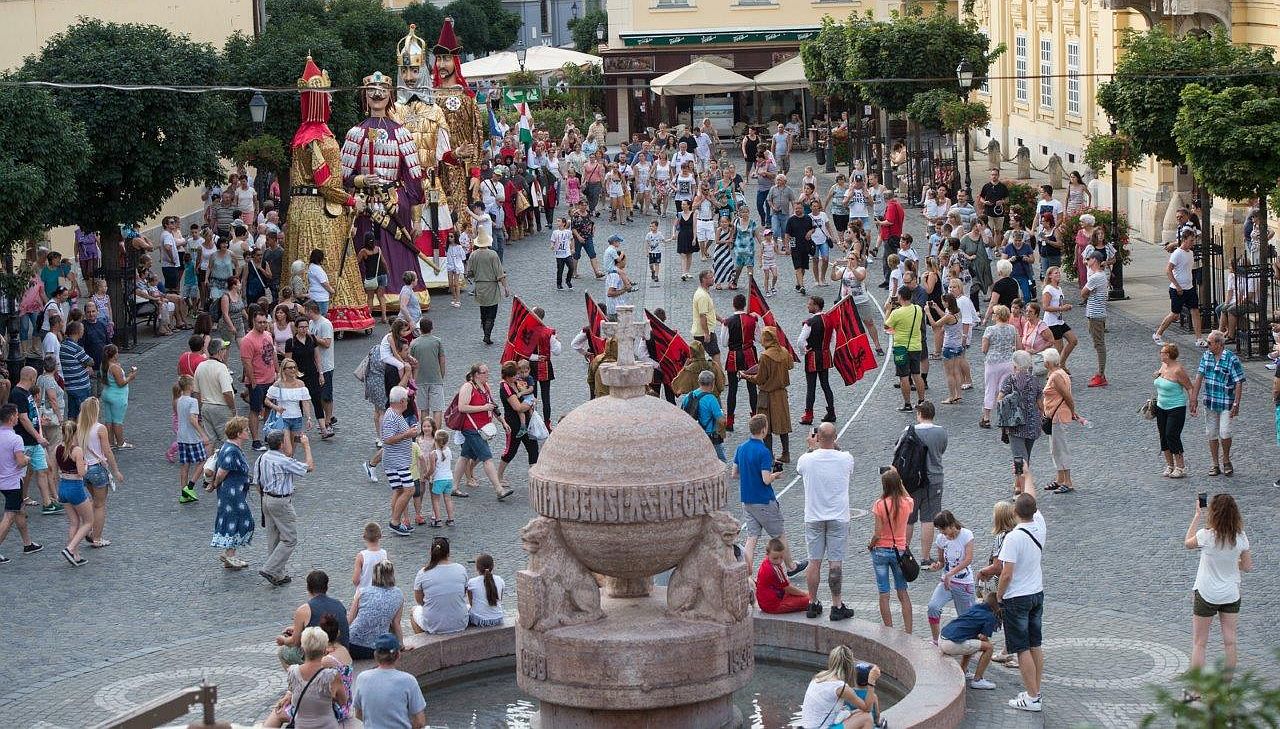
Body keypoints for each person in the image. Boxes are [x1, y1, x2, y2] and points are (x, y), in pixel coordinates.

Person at [1185, 493, 1252, 692]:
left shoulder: (1207, 535)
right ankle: (1227, 692)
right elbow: (1247, 566)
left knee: (1200, 644)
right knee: (1230, 643)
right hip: (1230, 594)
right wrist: (1231, 562)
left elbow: (1187, 542)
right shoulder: (1240, 537)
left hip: (1206, 594)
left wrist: (1197, 515)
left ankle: (1196, 693)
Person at [797, 423, 856, 622]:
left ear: (817, 437)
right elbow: (843, 460)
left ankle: (812, 602)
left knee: (814, 561)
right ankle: (837, 604)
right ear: (836, 437)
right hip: (838, 517)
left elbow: (801, 470)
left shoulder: (806, 459)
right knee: (835, 564)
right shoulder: (846, 458)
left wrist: (813, 448)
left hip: (813, 516)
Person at [733, 413, 802, 578]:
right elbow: (765, 479)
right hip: (763, 500)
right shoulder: (763, 452)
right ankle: (791, 566)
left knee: (752, 537)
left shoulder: (741, 448)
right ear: (764, 430)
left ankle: (747, 569)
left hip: (747, 500)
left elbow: (735, 473)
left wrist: (749, 474)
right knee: (779, 534)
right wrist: (775, 475)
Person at [997, 491, 1047, 713]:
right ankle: (1035, 690)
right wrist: (1025, 473)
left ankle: (1032, 697)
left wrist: (999, 595)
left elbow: (1006, 574)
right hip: (1037, 592)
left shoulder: (1013, 537)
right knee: (1036, 644)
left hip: (1017, 597)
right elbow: (1031, 492)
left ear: (1015, 512)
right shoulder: (1040, 524)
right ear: (1034, 511)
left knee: (1021, 649)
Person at [255, 429, 314, 586]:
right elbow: (309, 467)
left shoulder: (262, 458)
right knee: (289, 539)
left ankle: (278, 574)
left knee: (273, 538)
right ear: (281, 444)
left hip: (266, 499)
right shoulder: (283, 461)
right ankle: (270, 569)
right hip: (281, 501)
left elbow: (257, 482)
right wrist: (306, 446)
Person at [1189, 330, 1245, 477]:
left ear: (1219, 344)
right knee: (1211, 433)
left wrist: (1236, 404)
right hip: (1210, 400)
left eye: (1209, 342)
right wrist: (1193, 399)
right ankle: (1215, 463)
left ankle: (1226, 459)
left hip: (1226, 401)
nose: (1207, 345)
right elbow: (1199, 377)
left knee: (1225, 432)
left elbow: (1239, 382)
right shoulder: (1206, 356)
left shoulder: (1231, 359)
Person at [453, 363, 512, 500]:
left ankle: (454, 487)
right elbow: (462, 407)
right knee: (487, 458)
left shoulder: (486, 387)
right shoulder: (468, 387)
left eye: (487, 372)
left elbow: (492, 406)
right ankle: (499, 489)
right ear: (476, 375)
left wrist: (502, 421)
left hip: (481, 427)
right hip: (471, 428)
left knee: (464, 456)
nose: (487, 375)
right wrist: (483, 407)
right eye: (484, 372)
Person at [899, 401, 948, 558]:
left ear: (919, 414)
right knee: (928, 519)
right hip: (934, 478)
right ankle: (926, 557)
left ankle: (905, 555)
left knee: (909, 519)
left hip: (912, 480)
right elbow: (942, 450)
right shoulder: (941, 432)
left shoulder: (909, 430)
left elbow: (898, 450)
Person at [278, 626, 350, 729]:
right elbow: (343, 702)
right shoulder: (332, 675)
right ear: (325, 650)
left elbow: (293, 692)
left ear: (303, 649)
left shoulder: (292, 671)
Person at [869, 467, 914, 633]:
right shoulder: (906, 503)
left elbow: (878, 533)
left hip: (881, 551)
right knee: (902, 592)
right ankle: (908, 631)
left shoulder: (879, 505)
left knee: (884, 593)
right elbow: (909, 497)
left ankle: (889, 630)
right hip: (899, 552)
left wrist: (871, 544)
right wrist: (901, 482)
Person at [351, 633, 427, 728]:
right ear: (398, 655)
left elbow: (358, 714)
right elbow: (420, 722)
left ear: (375, 655)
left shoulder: (362, 678)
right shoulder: (408, 680)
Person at [275, 570, 350, 667]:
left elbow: (295, 642)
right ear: (326, 587)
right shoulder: (339, 604)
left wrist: (283, 640)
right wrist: (297, 628)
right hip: (342, 652)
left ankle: (299, 679)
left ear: (308, 588)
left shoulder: (303, 610)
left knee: (282, 652)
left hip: (321, 656)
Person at [208, 416, 254, 570]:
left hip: (234, 491)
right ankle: (230, 554)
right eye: (246, 430)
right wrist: (215, 484)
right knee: (239, 519)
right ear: (239, 434)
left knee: (233, 519)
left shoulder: (229, 447)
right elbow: (221, 472)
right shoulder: (232, 451)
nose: (248, 432)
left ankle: (229, 552)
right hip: (232, 493)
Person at [925, 510, 976, 645]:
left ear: (952, 525)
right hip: (947, 582)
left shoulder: (966, 535)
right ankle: (936, 640)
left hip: (964, 583)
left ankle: (972, 644)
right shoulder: (941, 539)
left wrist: (951, 573)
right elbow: (942, 562)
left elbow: (968, 559)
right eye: (940, 530)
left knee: (967, 618)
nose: (942, 533)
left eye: (943, 530)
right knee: (933, 607)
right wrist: (937, 565)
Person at [796, 646, 877, 729]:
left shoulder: (819, 676)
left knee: (858, 712)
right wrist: (871, 683)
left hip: (807, 726)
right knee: (867, 718)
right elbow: (867, 708)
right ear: (849, 666)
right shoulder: (840, 687)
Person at [78, 397, 122, 548]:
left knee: (93, 501)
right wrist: (115, 470)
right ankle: (97, 537)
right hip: (97, 468)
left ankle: (88, 529)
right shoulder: (99, 428)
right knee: (100, 505)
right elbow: (107, 451)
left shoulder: (79, 428)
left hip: (84, 469)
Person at [746, 327, 795, 463]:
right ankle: (786, 453)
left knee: (766, 427)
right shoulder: (784, 351)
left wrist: (746, 376)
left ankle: (770, 457)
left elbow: (759, 379)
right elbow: (790, 365)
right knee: (783, 425)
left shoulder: (765, 356)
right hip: (781, 394)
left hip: (766, 395)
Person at [998, 351, 1043, 495]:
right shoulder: (1035, 380)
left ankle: (1021, 490)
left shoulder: (1010, 380)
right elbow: (1040, 403)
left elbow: (1000, 399)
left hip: (1015, 424)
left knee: (1019, 458)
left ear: (1015, 365)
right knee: (1026, 456)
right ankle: (1019, 484)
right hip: (1032, 423)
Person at [0, 404, 39, 563]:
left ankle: (27, 543)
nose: (18, 417)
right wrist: (27, 459)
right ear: (11, 418)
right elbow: (21, 462)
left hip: (2, 479)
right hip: (13, 482)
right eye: (16, 415)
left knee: (20, 511)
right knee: (9, 516)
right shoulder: (16, 439)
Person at [1154, 229, 1206, 348]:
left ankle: (1199, 338)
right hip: (1178, 289)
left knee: (1195, 311)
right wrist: (1177, 286)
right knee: (1174, 314)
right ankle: (1158, 334)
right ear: (1184, 240)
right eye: (1191, 240)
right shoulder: (1177, 253)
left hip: (1189, 288)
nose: (1193, 243)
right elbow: (1168, 270)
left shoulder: (1190, 253)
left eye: (1194, 240)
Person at [939, 592, 1002, 690]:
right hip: (951, 643)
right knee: (989, 648)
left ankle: (963, 671)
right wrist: (989, 644)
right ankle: (978, 680)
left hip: (942, 638)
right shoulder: (990, 617)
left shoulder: (976, 607)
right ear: (997, 607)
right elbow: (983, 637)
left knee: (973, 641)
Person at [347, 561, 407, 660]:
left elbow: (350, 619)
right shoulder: (399, 594)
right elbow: (396, 623)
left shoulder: (362, 592)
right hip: (377, 649)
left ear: (374, 574)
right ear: (392, 574)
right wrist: (401, 645)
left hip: (351, 645)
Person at [1040, 348, 1079, 495]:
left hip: (1058, 416)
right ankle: (1060, 478)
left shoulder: (1056, 376)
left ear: (1048, 362)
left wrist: (1073, 411)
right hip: (1055, 416)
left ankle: (1067, 481)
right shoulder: (1059, 373)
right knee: (1055, 448)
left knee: (1060, 448)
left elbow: (1067, 396)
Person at [720, 294, 760, 431]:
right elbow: (759, 338)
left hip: (734, 355)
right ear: (744, 305)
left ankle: (730, 421)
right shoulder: (752, 320)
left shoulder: (727, 322)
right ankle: (755, 418)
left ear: (733, 304)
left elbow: (724, 343)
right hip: (749, 354)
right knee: (752, 388)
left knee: (732, 389)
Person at [412, 536, 469, 635]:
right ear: (449, 553)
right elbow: (463, 593)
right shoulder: (461, 569)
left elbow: (419, 601)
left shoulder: (423, 572)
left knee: (413, 611)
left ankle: (425, 641)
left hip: (433, 624)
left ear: (431, 553)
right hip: (460, 623)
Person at [55, 419, 90, 566]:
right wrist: (86, 465)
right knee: (88, 522)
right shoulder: (77, 450)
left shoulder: (57, 448)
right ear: (75, 432)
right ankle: (70, 549)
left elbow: (54, 470)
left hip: (63, 486)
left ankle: (75, 555)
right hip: (75, 487)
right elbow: (81, 473)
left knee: (74, 522)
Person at [1153, 343, 1192, 479]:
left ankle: (1180, 466)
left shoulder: (1178, 370)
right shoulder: (1164, 366)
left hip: (1176, 407)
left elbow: (1189, 387)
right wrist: (1157, 376)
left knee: (1172, 435)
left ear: (1168, 355)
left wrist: (1193, 403)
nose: (1160, 354)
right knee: (1163, 435)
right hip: (1161, 406)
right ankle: (1170, 465)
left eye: (1162, 352)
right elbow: (1160, 378)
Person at [464, 231, 510, 345]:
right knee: (492, 312)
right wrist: (505, 287)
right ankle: (487, 335)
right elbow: (499, 273)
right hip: (491, 286)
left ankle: (485, 332)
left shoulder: (473, 255)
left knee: (483, 311)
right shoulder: (493, 254)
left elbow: (469, 273)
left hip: (479, 286)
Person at [884, 287, 925, 412]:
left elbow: (886, 326)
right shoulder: (918, 309)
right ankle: (921, 401)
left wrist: (888, 310)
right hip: (916, 346)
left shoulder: (897, 313)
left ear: (900, 297)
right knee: (917, 374)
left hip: (901, 347)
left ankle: (907, 404)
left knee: (904, 377)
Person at [799, 296, 836, 425]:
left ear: (816, 306)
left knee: (811, 387)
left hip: (813, 357)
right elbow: (832, 339)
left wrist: (804, 351)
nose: (807, 306)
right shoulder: (829, 320)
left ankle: (808, 415)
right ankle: (831, 412)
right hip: (825, 356)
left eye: (810, 304)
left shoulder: (810, 323)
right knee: (826, 385)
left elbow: (800, 341)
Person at [980, 305, 1017, 429]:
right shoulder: (1012, 329)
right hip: (1008, 363)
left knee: (990, 389)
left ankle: (986, 418)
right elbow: (1018, 346)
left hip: (993, 363)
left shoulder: (990, 330)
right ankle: (1005, 417)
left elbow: (984, 349)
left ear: (997, 316)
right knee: (1004, 390)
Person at [174, 375, 208, 505]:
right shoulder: (192, 401)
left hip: (181, 436)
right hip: (192, 437)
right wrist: (202, 434)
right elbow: (193, 419)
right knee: (202, 460)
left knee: (185, 465)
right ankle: (190, 486)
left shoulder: (179, 400)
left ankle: (183, 493)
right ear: (189, 386)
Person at [756, 537, 811, 615]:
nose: (779, 561)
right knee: (808, 600)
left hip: (767, 600)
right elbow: (787, 588)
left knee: (802, 596)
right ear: (767, 554)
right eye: (775, 558)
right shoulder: (774, 569)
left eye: (781, 557)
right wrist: (805, 593)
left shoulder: (766, 562)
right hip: (774, 605)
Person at [682, 370, 727, 462]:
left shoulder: (689, 396)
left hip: (694, 434)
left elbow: (682, 413)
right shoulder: (711, 399)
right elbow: (721, 421)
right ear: (713, 383)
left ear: (699, 382)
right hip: (709, 436)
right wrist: (723, 413)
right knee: (721, 461)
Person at [409, 319, 446, 430]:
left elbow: (411, 363)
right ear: (432, 328)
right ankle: (437, 434)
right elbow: (442, 360)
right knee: (437, 409)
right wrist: (441, 375)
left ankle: (426, 433)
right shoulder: (437, 341)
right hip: (435, 379)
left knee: (424, 409)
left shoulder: (414, 343)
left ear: (420, 329)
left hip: (419, 380)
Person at [1080, 252, 1110, 387]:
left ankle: (1101, 374)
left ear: (1095, 260)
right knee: (1098, 343)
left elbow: (1083, 293)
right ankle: (1100, 373)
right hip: (1097, 313)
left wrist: (1088, 292)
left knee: (1099, 344)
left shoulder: (1096, 277)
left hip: (1096, 314)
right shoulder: (1101, 275)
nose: (1086, 261)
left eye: (1088, 259)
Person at [1040, 266, 1077, 367]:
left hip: (1059, 321)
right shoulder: (1048, 289)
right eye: (1056, 273)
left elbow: (1058, 304)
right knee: (1058, 348)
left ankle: (1062, 363)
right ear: (1050, 276)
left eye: (1059, 273)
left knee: (1073, 341)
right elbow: (1045, 307)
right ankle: (1053, 370)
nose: (1058, 274)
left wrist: (1066, 307)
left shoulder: (1059, 288)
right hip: (1051, 322)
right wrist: (1062, 308)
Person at [59, 321, 95, 421]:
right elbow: (90, 361)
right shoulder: (77, 348)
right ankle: (81, 434)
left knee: (72, 413)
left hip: (70, 386)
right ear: (78, 332)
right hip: (80, 386)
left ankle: (71, 434)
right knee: (83, 414)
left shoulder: (63, 345)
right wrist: (85, 365)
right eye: (82, 329)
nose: (83, 331)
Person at [691, 270, 721, 367]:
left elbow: (709, 311)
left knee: (701, 357)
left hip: (704, 331)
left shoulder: (704, 293)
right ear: (704, 280)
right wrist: (706, 333)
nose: (713, 279)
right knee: (715, 354)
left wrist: (721, 319)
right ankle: (720, 378)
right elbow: (702, 316)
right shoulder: (702, 296)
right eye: (710, 277)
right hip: (703, 332)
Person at [467, 553, 506, 627]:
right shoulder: (500, 580)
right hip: (498, 618)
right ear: (493, 566)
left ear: (477, 568)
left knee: (467, 607)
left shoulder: (472, 582)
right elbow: (499, 599)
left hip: (480, 620)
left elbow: (471, 603)